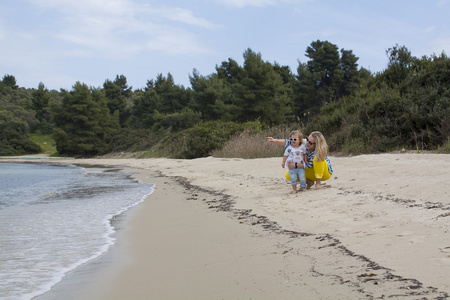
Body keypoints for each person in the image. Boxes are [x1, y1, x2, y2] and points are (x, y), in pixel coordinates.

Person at [267, 131, 333, 189]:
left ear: (317, 145)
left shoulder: (318, 151)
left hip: (324, 173)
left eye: (310, 142)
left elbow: (309, 165)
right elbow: (288, 142)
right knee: (289, 174)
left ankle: (318, 183)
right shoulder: (304, 143)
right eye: (307, 139)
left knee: (318, 158)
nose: (307, 142)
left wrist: (295, 165)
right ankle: (309, 182)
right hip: (312, 170)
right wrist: (275, 140)